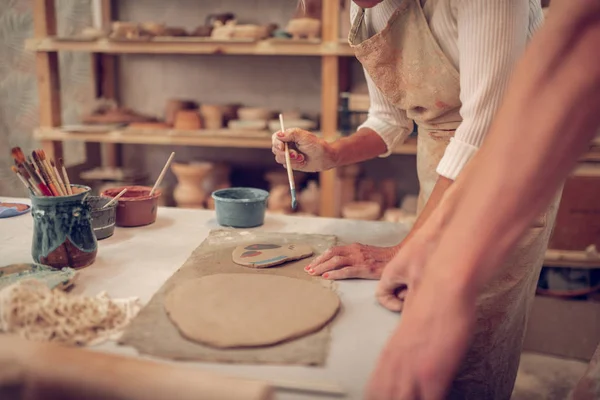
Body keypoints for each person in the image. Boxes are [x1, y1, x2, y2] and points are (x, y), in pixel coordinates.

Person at [273, 0, 558, 398]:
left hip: (506, 176)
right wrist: (333, 153)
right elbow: (390, 118)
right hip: (442, 175)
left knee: (469, 346)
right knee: (420, 322)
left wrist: (404, 250)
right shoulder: (369, 8)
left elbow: (486, 130)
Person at [364, 0, 600, 398]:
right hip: (471, 175)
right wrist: (432, 239)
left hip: (499, 175)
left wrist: (450, 274)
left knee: (473, 362)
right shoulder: (371, 12)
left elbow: (580, 43)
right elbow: (576, 46)